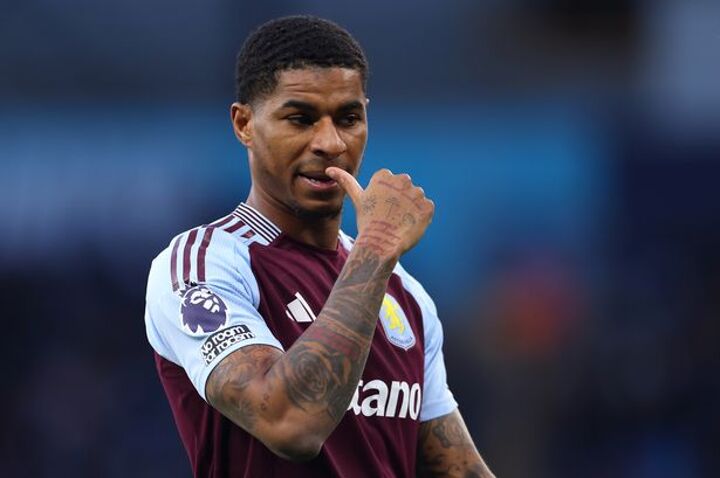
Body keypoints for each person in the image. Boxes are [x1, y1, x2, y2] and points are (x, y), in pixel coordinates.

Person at [144, 15, 495, 478]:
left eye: (349, 118)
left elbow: (461, 471)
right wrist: (377, 246)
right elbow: (290, 424)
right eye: (301, 119)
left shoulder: (405, 295)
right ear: (244, 124)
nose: (331, 143)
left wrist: (375, 255)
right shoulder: (206, 264)